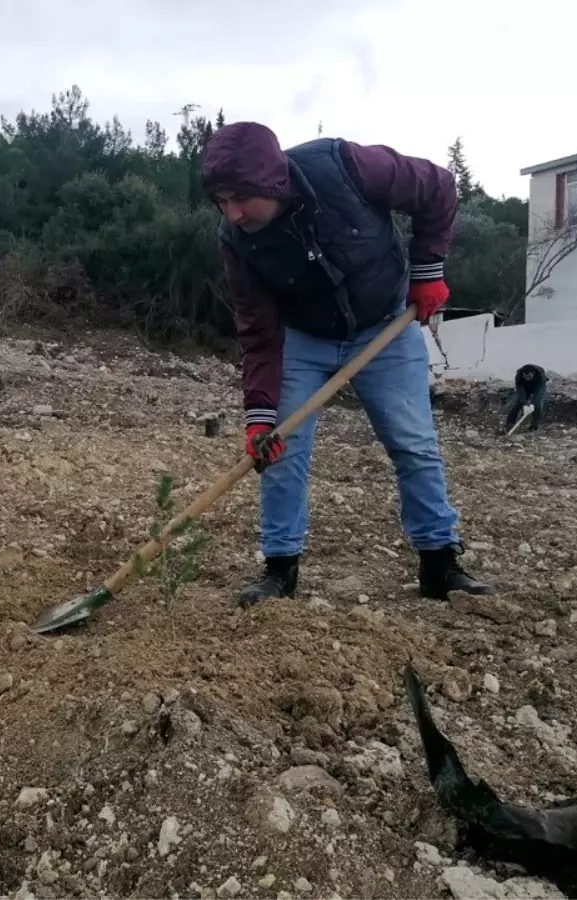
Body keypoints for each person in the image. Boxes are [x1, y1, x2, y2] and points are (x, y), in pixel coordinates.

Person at [200, 122, 494, 604]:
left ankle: (440, 565)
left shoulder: (345, 166)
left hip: (384, 326)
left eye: (240, 198)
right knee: (280, 450)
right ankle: (280, 572)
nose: (232, 212)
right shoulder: (236, 238)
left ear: (271, 184)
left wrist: (427, 271)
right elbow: (256, 329)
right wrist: (258, 415)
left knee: (414, 444)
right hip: (303, 338)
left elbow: (438, 186)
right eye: (220, 200)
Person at [503, 364, 547, 433]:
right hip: (525, 387)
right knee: (517, 405)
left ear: (533, 373)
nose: (527, 379)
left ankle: (534, 427)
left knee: (538, 405)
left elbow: (539, 392)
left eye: (529, 376)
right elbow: (520, 391)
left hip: (537, 387)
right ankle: (509, 425)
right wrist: (524, 404)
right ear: (522, 374)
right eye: (525, 377)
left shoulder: (540, 376)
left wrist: (533, 403)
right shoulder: (519, 376)